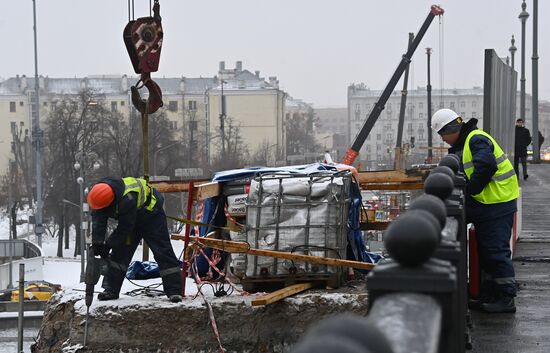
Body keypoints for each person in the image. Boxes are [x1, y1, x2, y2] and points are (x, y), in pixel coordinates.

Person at [431, 109, 519, 313]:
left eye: (442, 134)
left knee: (496, 251)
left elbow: (486, 167)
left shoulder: (475, 139)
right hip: (488, 202)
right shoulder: (462, 145)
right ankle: (490, 294)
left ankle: (506, 298)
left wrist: (468, 192)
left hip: (498, 201)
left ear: (451, 129)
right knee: (487, 250)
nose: (443, 140)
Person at [87, 176, 183, 302]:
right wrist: (98, 243)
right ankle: (111, 290)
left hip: (152, 216)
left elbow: (124, 228)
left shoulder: (127, 199)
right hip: (131, 217)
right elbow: (98, 221)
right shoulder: (98, 198)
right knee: (120, 254)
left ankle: (174, 291)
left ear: (111, 201)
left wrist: (108, 244)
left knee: (162, 251)